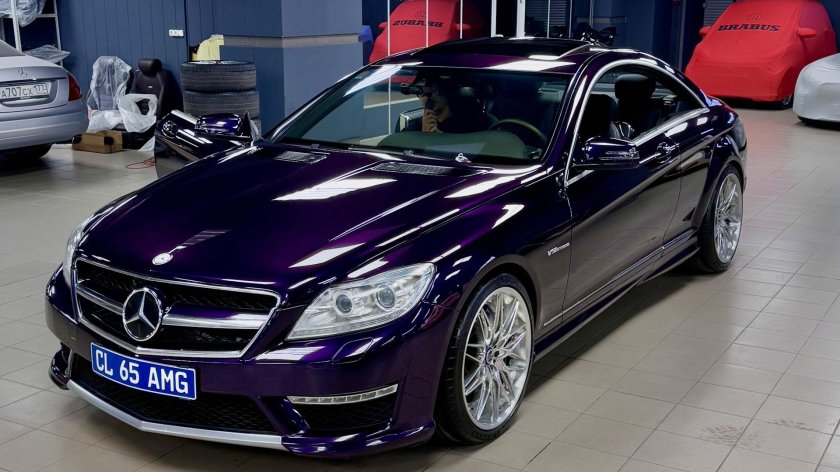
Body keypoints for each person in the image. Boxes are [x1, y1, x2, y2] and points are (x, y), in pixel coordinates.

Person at [415, 79, 493, 133]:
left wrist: (439, 137)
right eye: (423, 94)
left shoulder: (472, 121)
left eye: (434, 91)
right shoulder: (416, 126)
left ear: (445, 92)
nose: (428, 98)